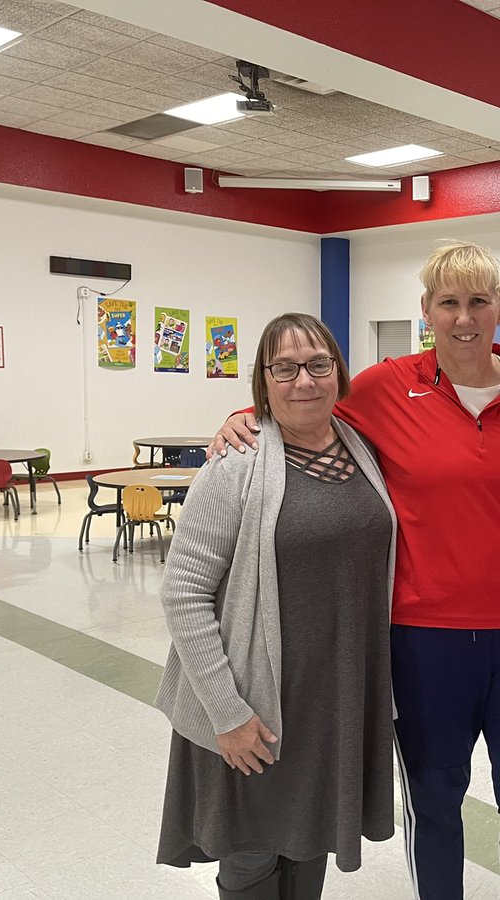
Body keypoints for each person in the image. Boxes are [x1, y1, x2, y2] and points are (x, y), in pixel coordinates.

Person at [211, 242, 500, 900]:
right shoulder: (385, 387)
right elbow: (305, 413)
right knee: (434, 803)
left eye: (479, 301)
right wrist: (246, 416)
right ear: (427, 311)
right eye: (449, 303)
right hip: (422, 639)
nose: (465, 318)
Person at [155, 313, 398, 900]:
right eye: (284, 368)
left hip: (334, 697)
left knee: (311, 838)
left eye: (318, 365)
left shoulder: (363, 449)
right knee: (252, 855)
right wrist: (227, 714)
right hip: (254, 699)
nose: (304, 381)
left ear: (339, 374)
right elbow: (183, 592)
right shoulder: (235, 464)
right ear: (263, 383)